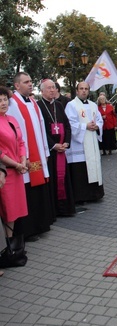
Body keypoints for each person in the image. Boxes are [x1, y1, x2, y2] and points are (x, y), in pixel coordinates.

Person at [8, 72, 54, 241]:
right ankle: (28, 230)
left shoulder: (33, 102)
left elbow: (41, 128)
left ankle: (40, 224)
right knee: (28, 191)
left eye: (30, 81)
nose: (30, 84)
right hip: (24, 157)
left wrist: (45, 152)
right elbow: (16, 132)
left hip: (39, 154)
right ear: (17, 86)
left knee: (38, 189)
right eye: (26, 82)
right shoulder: (13, 104)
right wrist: (24, 155)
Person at [37, 80, 75, 217]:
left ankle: (66, 208)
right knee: (53, 180)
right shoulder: (38, 106)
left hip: (62, 149)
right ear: (42, 91)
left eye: (54, 87)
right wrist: (53, 145)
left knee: (64, 178)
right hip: (50, 152)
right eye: (49, 88)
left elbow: (67, 126)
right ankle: (55, 210)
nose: (52, 90)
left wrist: (66, 142)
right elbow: (40, 131)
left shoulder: (58, 105)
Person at [65, 82, 104, 203]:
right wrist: (85, 126)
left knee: (93, 166)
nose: (84, 91)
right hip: (79, 145)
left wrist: (97, 126)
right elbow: (70, 124)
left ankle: (95, 194)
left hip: (92, 142)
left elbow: (100, 120)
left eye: (86, 89)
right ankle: (81, 197)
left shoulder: (93, 105)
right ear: (76, 91)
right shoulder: (71, 105)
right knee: (80, 171)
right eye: (81, 89)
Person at [0, 87, 28, 238]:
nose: (3, 103)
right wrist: (16, 164)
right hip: (6, 172)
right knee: (8, 211)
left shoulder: (12, 119)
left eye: (5, 99)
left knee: (16, 211)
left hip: (17, 171)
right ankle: (7, 246)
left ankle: (12, 244)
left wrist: (23, 159)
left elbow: (21, 142)